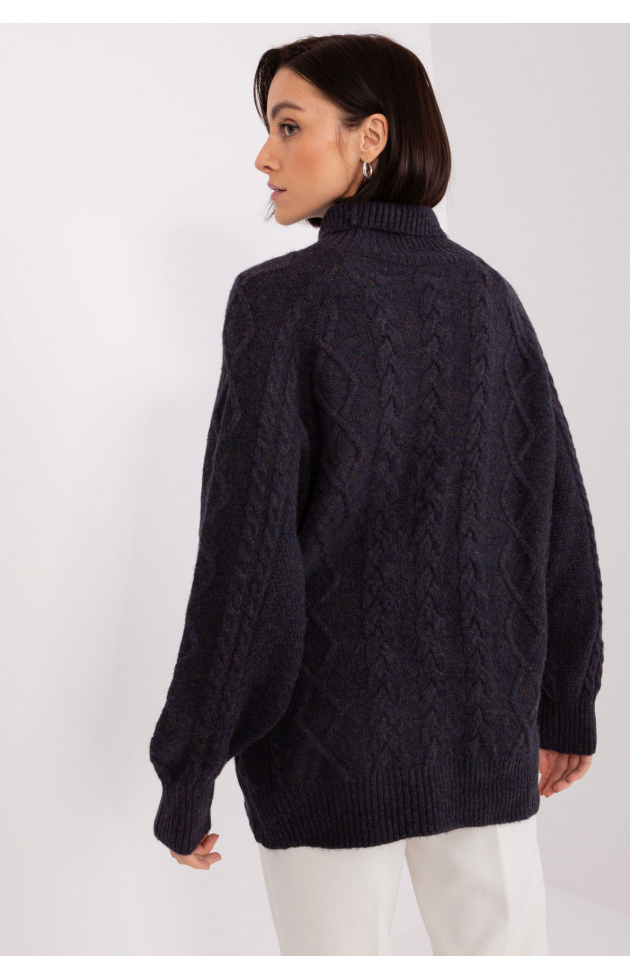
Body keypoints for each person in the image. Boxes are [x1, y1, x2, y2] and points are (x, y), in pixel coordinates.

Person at [149, 33, 603, 955]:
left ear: (371, 137)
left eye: (288, 126)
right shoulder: (489, 296)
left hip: (329, 752)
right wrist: (565, 704)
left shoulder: (279, 303)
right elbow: (559, 517)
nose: (264, 156)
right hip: (485, 739)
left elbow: (246, 559)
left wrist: (190, 765)